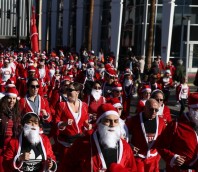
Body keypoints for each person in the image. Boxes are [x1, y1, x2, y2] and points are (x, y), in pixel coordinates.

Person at [59, 103, 137, 172]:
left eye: (115, 121)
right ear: (99, 123)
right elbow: (66, 167)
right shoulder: (82, 144)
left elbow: (132, 169)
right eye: (108, 121)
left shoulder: (125, 147)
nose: (112, 124)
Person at [156, 93, 198, 171]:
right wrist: (173, 157)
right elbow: (160, 145)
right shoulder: (175, 125)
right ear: (189, 108)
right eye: (196, 109)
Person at [126, 99, 166, 172]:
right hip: (138, 157)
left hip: (153, 158)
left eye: (156, 110)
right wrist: (129, 145)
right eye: (151, 109)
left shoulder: (161, 121)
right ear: (145, 108)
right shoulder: (134, 120)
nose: (154, 112)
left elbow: (165, 139)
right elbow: (124, 135)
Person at [55, 82, 90, 160]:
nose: (67, 92)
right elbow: (56, 122)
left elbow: (85, 120)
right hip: (65, 142)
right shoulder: (62, 105)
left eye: (70, 90)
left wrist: (88, 125)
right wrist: (64, 123)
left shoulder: (84, 105)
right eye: (67, 89)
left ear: (77, 92)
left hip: (79, 141)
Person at [0, 87, 21, 172]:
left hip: (12, 145)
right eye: (9, 98)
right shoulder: (1, 111)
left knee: (10, 167)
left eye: (14, 99)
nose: (12, 101)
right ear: (5, 99)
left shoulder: (17, 112)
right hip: (1, 144)